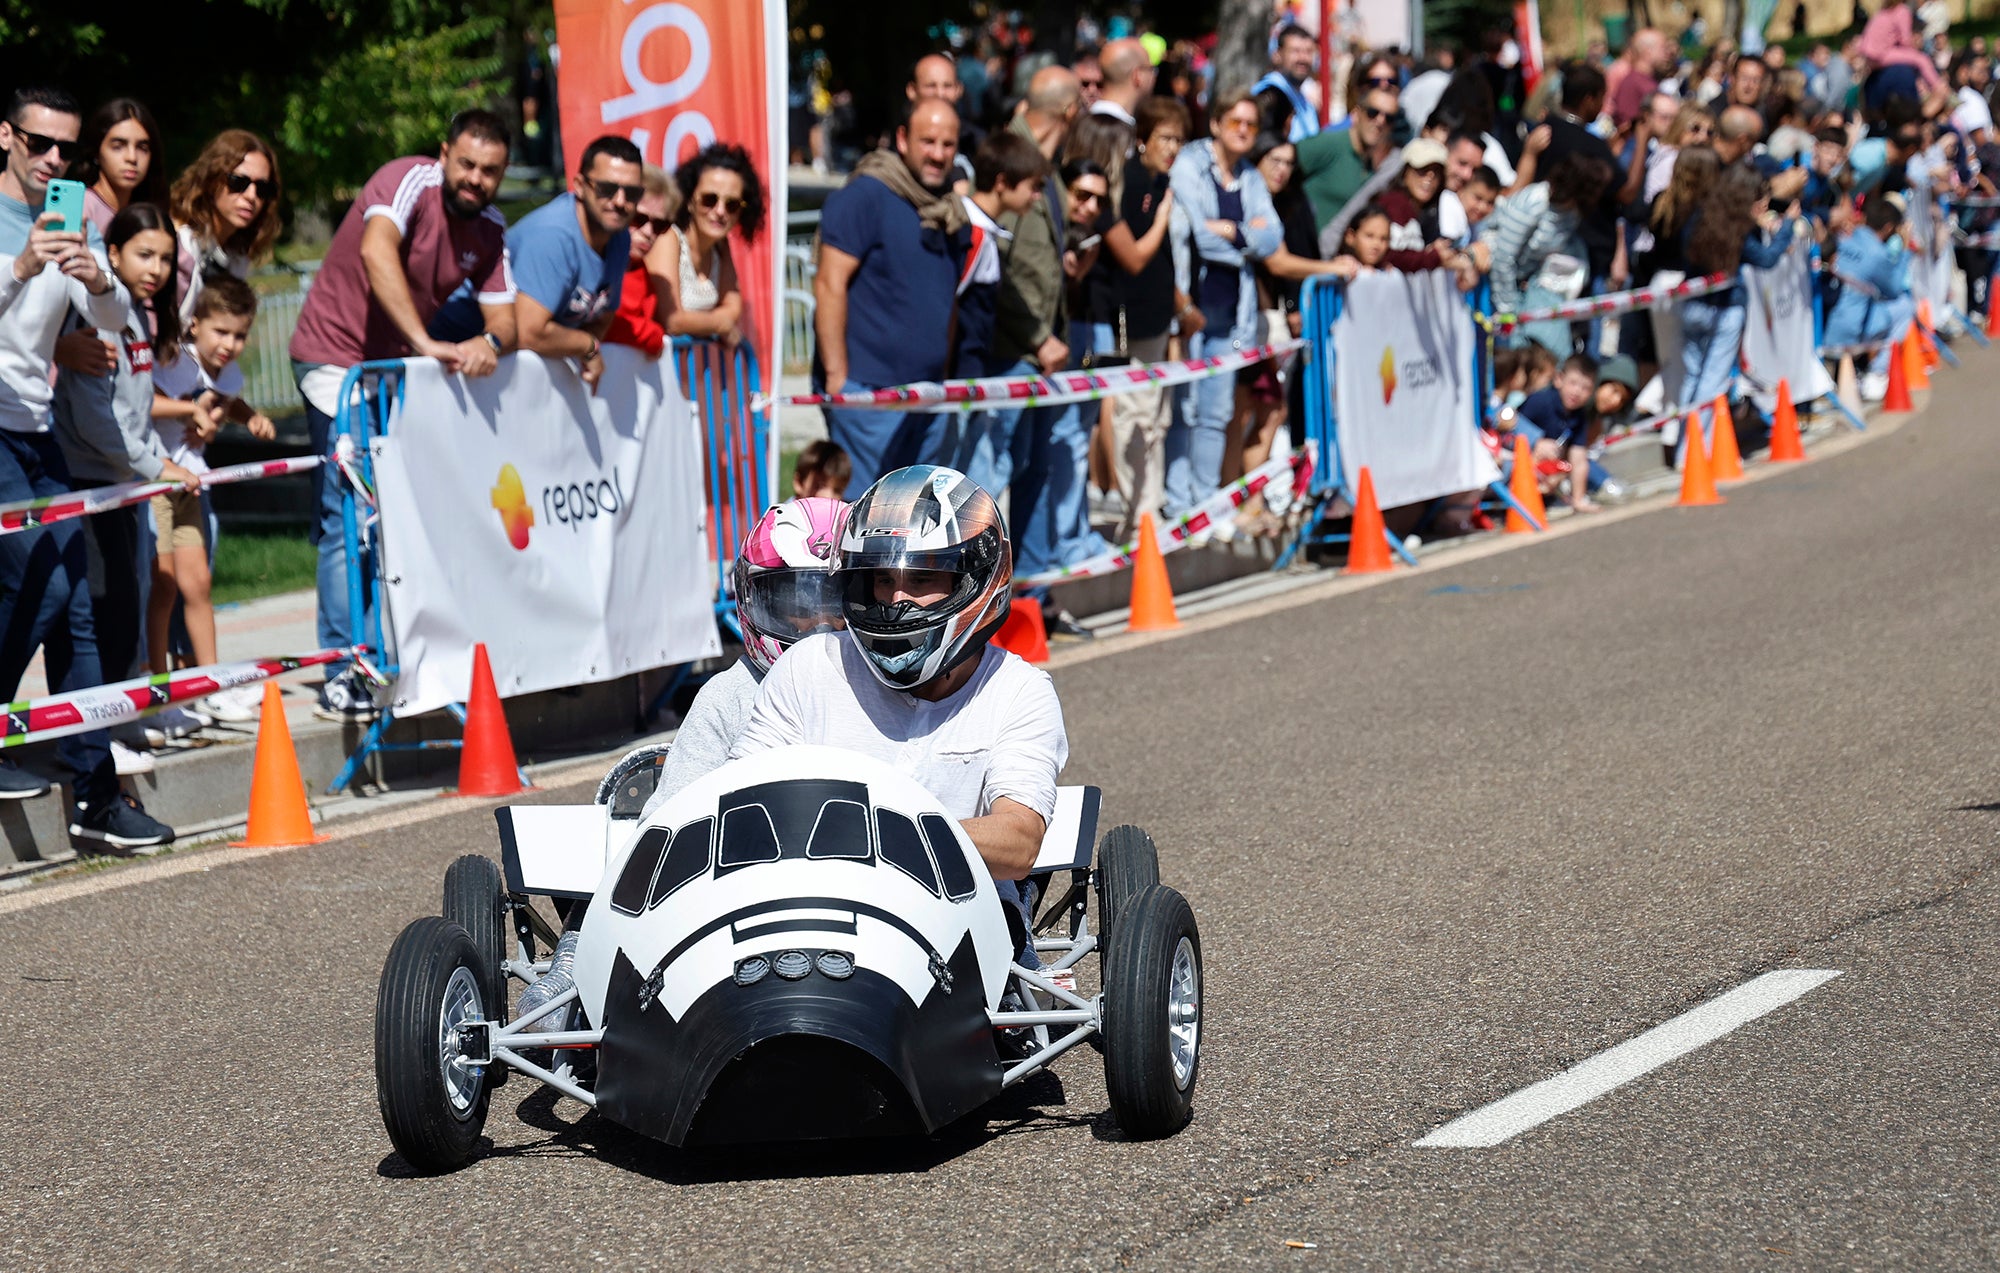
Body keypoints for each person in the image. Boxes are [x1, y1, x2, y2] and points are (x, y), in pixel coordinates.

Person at [731, 465, 1066, 964]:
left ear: (976, 578)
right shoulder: (810, 668)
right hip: (812, 920)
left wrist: (875, 836)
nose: (895, 601)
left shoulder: (1019, 690)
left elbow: (1018, 842)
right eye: (882, 580)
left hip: (957, 931)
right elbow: (735, 810)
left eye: (923, 576)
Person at [288, 109, 516, 722]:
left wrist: (486, 346)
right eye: (466, 164)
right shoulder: (405, 179)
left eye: (490, 171)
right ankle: (344, 670)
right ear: (443, 153)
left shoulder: (490, 227)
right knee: (347, 515)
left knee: (385, 517)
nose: (475, 179)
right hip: (335, 363)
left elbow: (507, 322)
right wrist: (427, 342)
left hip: (388, 371)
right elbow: (375, 250)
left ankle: (387, 652)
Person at [0, 85, 174, 844]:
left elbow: (114, 322)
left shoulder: (64, 223)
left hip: (36, 430)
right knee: (47, 580)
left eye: (64, 149)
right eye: (38, 144)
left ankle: (95, 800)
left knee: (77, 609)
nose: (52, 160)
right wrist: (19, 265)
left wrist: (99, 281)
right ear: (5, 136)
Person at [50, 203, 199, 775]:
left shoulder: (136, 316)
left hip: (125, 483)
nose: (156, 268)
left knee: (129, 602)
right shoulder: (94, 317)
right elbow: (93, 419)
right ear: (111, 255)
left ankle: (121, 715)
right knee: (101, 609)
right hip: (92, 482)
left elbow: (132, 411)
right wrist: (153, 464)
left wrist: (146, 463)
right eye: (143, 253)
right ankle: (97, 732)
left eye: (164, 257)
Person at [642, 497, 848, 817]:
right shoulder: (728, 699)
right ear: (754, 598)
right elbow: (666, 823)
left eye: (836, 603)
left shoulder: (882, 690)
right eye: (800, 606)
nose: (821, 623)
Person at [813, 98, 968, 497]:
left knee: (914, 523)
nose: (938, 154)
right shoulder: (865, 196)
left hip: (928, 398)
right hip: (868, 397)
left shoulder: (949, 210)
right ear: (903, 139)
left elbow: (948, 299)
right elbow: (829, 284)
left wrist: (943, 377)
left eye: (948, 144)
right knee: (869, 521)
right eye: (928, 141)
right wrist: (838, 379)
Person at [147, 276, 275, 711]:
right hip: (156, 481)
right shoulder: (176, 361)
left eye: (240, 335)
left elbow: (226, 397)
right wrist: (191, 409)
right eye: (221, 332)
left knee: (198, 585)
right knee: (162, 589)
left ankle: (211, 686)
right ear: (195, 325)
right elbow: (146, 401)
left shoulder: (229, 371)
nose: (230, 344)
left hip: (192, 482)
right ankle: (159, 692)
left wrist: (249, 417)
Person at [1101, 96, 1190, 540]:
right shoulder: (1133, 184)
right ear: (1143, 140)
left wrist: (1181, 308)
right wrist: (1161, 219)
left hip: (1159, 319)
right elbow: (1135, 256)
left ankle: (1150, 506)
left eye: (1178, 139)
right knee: (1133, 416)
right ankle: (1137, 511)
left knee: (1156, 417)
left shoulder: (1162, 181)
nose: (1172, 147)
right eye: (1165, 138)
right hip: (1129, 319)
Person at [509, 134, 640, 393]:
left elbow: (602, 315)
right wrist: (586, 346)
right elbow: (528, 331)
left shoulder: (619, 237)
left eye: (633, 192)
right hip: (456, 349)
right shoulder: (552, 236)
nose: (620, 202)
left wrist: (582, 343)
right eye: (607, 189)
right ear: (579, 185)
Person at [53, 100, 168, 383]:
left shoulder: (149, 215)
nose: (132, 157)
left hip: (131, 369)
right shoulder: (82, 210)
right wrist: (57, 347)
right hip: (73, 375)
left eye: (143, 147)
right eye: (118, 145)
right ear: (96, 152)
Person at [1676, 163, 1800, 421]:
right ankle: (1702, 451)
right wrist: (1787, 225)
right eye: (1760, 197)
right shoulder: (1737, 230)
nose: (1765, 203)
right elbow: (1766, 259)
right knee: (1712, 381)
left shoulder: (1700, 217)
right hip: (1725, 310)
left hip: (1691, 305)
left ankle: (1684, 451)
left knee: (1691, 376)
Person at [1482, 153, 1611, 355]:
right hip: (1495, 290)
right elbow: (1503, 258)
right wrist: (1509, 311)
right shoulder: (1533, 202)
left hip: (1527, 289)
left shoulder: (1572, 213)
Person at [651, 142, 764, 349]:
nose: (720, 211)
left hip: (695, 374)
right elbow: (673, 320)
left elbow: (733, 308)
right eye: (709, 200)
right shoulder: (667, 238)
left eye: (732, 204)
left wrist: (702, 322)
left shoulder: (721, 245)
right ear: (689, 200)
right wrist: (721, 324)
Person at [168, 130, 281, 326]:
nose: (251, 196)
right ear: (212, 180)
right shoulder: (178, 242)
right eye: (239, 182)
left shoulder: (237, 257)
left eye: (262, 189)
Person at [1824, 193, 1914, 399]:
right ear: (1890, 228)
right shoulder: (1877, 254)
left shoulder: (1842, 238)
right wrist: (1905, 250)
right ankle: (1877, 373)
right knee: (1906, 306)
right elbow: (1895, 289)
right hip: (1846, 334)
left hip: (1822, 325)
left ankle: (1863, 370)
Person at [1296, 83, 1398, 237]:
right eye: (1373, 113)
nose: (1380, 122)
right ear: (1356, 113)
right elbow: (1281, 165)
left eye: (1389, 118)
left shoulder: (1371, 165)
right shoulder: (1330, 144)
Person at [602, 165, 674, 359]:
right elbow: (604, 324)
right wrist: (653, 336)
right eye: (639, 219)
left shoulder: (641, 271)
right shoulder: (595, 261)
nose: (649, 232)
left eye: (660, 225)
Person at [1517, 352, 1602, 513]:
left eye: (1585, 388)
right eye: (1573, 383)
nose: (1577, 392)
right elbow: (1512, 430)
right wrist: (1536, 443)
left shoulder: (1579, 415)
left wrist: (1579, 500)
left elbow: (1579, 459)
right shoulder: (1539, 402)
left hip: (1546, 471)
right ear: (1558, 379)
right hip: (1521, 461)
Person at [1253, 23, 1322, 142]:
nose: (1303, 58)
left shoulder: (1302, 99)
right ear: (1277, 55)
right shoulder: (1271, 94)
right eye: (1295, 51)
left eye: (1309, 52)